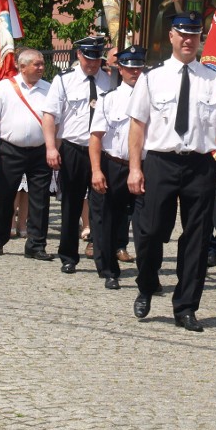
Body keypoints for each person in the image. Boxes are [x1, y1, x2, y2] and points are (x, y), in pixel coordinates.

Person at [127, 11, 216, 332]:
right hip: (161, 161)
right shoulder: (151, 77)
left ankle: (186, 307)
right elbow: (137, 125)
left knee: (197, 239)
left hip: (200, 164)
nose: (188, 41)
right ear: (171, 36)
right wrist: (134, 168)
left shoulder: (213, 80)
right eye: (183, 35)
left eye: (195, 35)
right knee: (151, 232)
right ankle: (146, 284)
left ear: (200, 39)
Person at [42, 36, 111, 274]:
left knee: (101, 207)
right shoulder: (63, 81)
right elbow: (50, 115)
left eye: (97, 58)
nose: (93, 64)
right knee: (70, 205)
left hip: (102, 152)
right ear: (79, 55)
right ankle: (68, 256)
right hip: (73, 148)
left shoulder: (110, 81)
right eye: (89, 58)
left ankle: (103, 257)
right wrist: (51, 147)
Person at [0, 48, 53, 260]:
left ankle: (36, 245)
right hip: (10, 150)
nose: (41, 67)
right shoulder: (4, 87)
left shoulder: (49, 89)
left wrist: (53, 147)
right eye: (36, 64)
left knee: (40, 200)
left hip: (40, 151)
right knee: (4, 197)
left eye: (42, 64)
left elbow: (55, 120)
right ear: (22, 67)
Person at [88, 44, 145, 289]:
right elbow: (96, 137)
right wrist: (96, 170)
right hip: (115, 164)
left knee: (146, 223)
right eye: (129, 68)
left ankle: (147, 273)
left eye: (139, 68)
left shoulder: (153, 98)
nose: (135, 72)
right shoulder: (109, 100)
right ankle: (109, 269)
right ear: (119, 69)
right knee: (108, 219)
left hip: (145, 165)